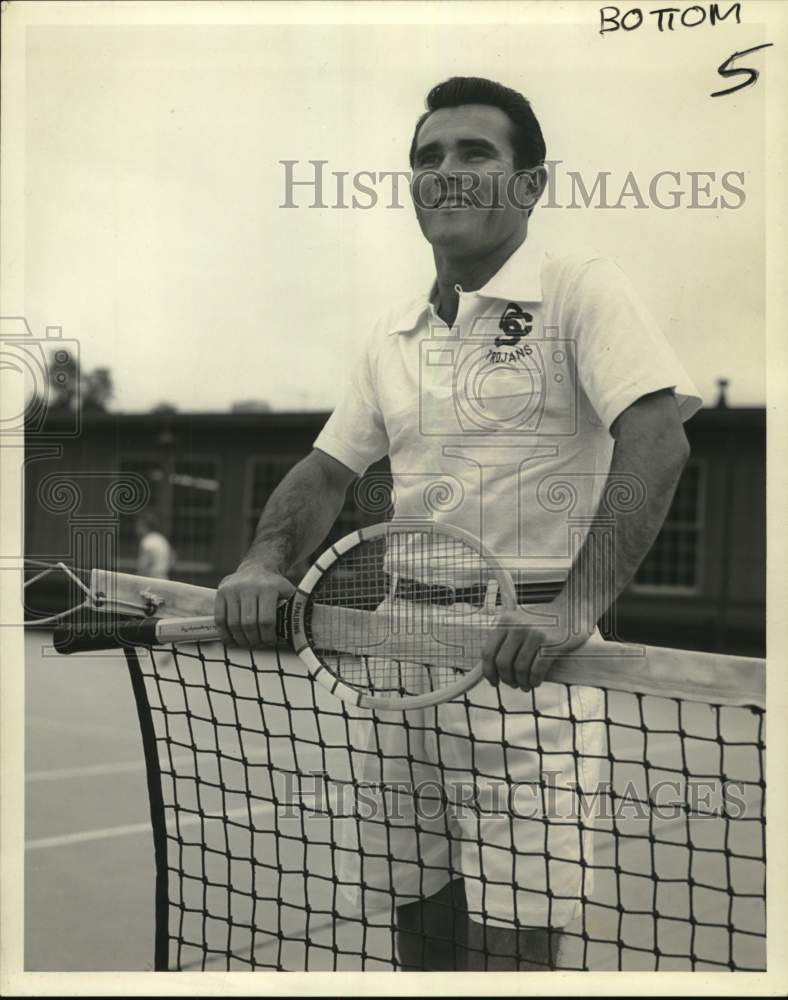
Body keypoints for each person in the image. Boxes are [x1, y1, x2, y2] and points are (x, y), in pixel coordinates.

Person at [216, 77, 701, 970]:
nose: (446, 172)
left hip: (529, 665)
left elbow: (657, 440)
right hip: (399, 655)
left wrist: (572, 608)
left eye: (475, 152)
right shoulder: (390, 334)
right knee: (418, 927)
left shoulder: (581, 288)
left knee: (510, 951)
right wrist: (262, 563)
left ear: (530, 184)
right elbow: (326, 471)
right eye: (427, 158)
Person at [135, 512, 175, 580]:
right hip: (164, 578)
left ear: (145, 526)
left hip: (152, 580)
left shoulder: (147, 541)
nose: (136, 528)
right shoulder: (161, 539)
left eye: (139, 525)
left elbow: (143, 566)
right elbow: (173, 557)